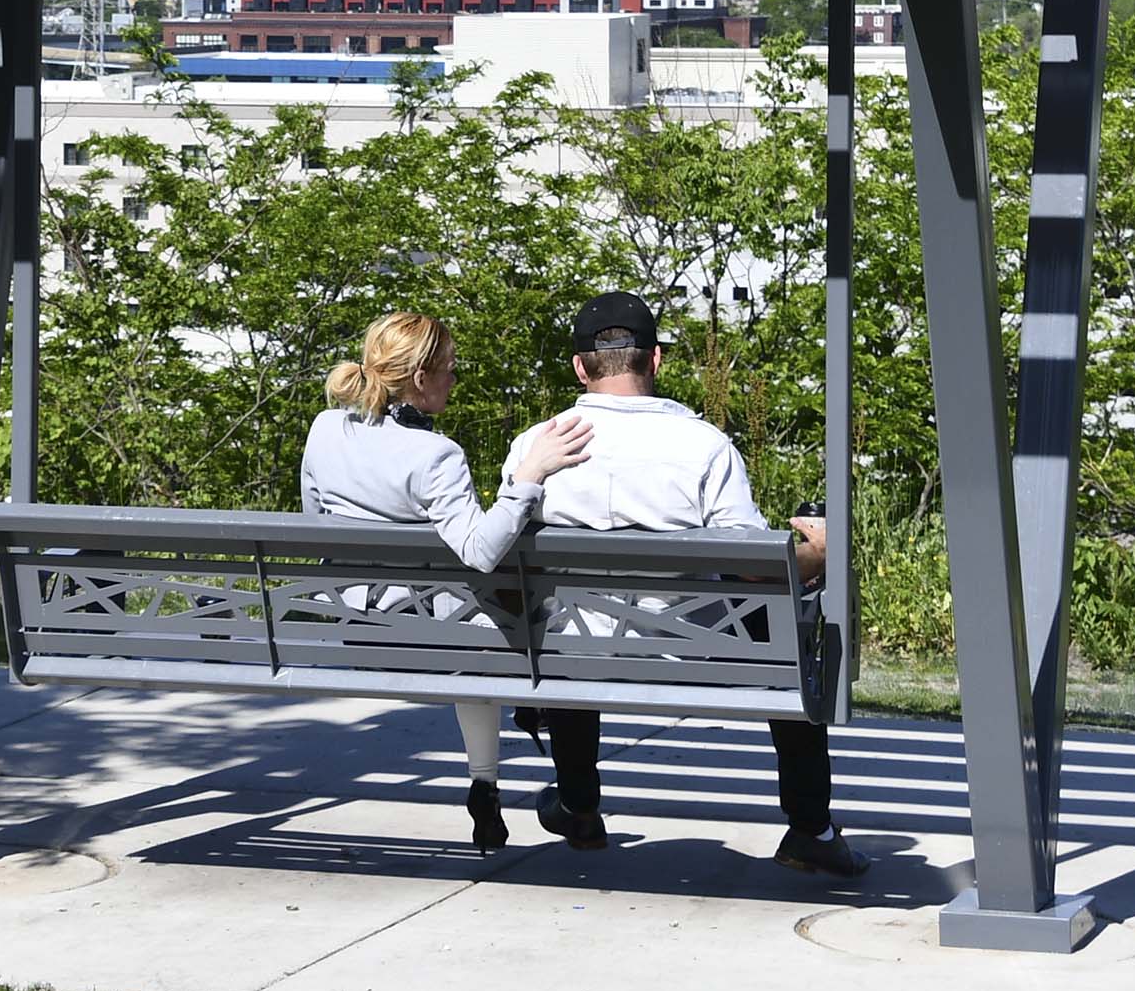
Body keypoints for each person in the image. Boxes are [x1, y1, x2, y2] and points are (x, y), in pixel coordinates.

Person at [498, 291, 869, 877]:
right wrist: (818, 552)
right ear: (657, 361)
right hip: (690, 651)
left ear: (579, 367)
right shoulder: (703, 445)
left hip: (568, 650)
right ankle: (810, 827)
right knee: (791, 634)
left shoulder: (534, 447)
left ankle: (576, 802)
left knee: (568, 616)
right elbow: (755, 568)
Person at [301, 311, 594, 853]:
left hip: (347, 624)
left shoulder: (324, 429)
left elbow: (315, 520)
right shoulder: (436, 455)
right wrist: (529, 477)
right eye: (450, 371)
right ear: (420, 378)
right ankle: (486, 779)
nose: (455, 381)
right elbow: (480, 551)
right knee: (489, 630)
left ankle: (489, 782)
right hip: (419, 634)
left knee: (473, 626)